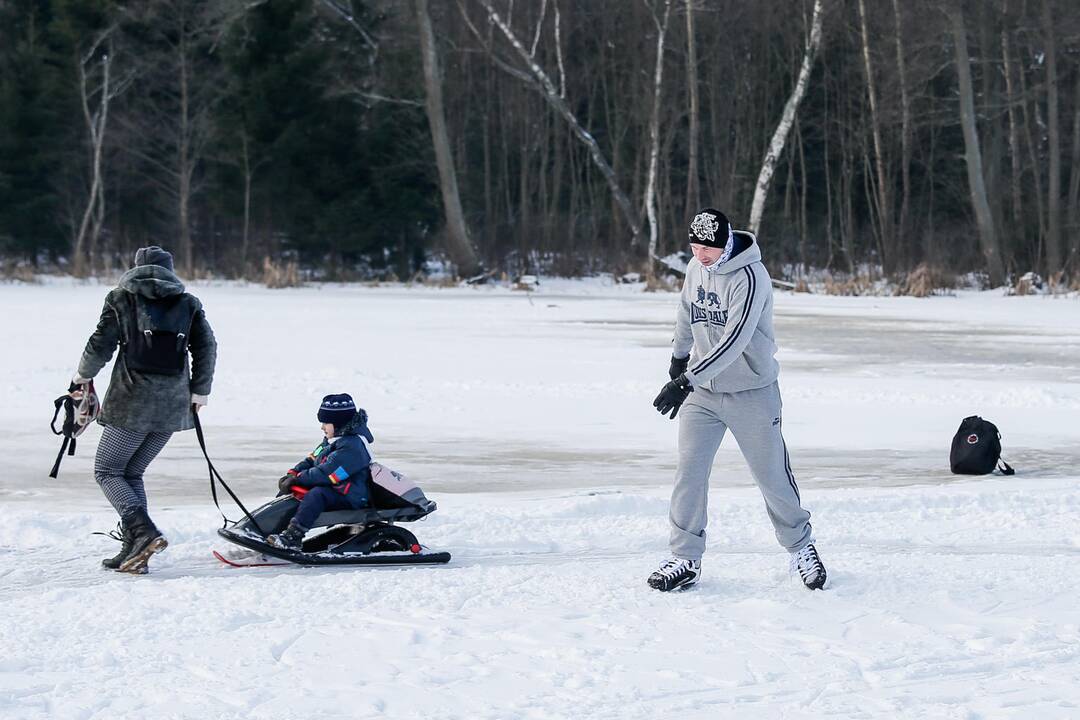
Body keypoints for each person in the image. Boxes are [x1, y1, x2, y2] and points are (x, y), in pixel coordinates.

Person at [648, 209, 826, 592]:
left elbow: (734, 341)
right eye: (694, 246)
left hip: (752, 392)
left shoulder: (750, 276)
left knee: (772, 476)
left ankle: (801, 548)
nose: (700, 255)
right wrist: (679, 358)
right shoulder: (696, 268)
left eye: (707, 248)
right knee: (689, 473)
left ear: (726, 242)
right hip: (703, 393)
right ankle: (685, 557)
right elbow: (686, 312)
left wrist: (686, 379)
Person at [72, 246, 217, 574]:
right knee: (132, 473)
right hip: (173, 405)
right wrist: (200, 392)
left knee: (107, 471)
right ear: (170, 268)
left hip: (131, 402)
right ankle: (135, 550)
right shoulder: (188, 302)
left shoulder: (121, 298)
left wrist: (82, 376)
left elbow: (101, 343)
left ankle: (143, 533)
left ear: (135, 268)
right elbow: (207, 346)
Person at [268, 394, 375, 551]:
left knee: (317, 494)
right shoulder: (330, 442)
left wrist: (298, 479)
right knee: (295, 493)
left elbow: (328, 473)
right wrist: (293, 474)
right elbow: (312, 459)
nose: (322, 427)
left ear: (339, 423)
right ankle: (271, 529)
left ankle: (293, 537)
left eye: (326, 422)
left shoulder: (353, 446)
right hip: (335, 488)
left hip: (351, 495)